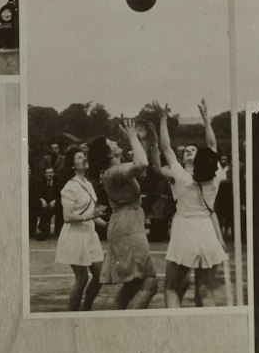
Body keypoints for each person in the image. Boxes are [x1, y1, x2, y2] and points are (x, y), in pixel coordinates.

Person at [156, 100, 228, 308]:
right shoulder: (214, 179)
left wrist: (162, 118)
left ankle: (177, 327)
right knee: (205, 291)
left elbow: (166, 147)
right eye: (187, 150)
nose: (188, 151)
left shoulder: (181, 175)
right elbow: (212, 146)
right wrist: (206, 119)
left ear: (199, 159)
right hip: (206, 233)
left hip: (185, 232)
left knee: (170, 288)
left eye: (192, 151)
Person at [91, 119, 159, 309]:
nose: (115, 142)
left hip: (128, 224)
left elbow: (141, 164)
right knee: (149, 283)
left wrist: (143, 140)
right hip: (126, 227)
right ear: (108, 153)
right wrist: (131, 137)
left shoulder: (116, 170)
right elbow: (142, 163)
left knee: (133, 285)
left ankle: (116, 322)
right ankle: (129, 323)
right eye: (111, 143)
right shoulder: (113, 172)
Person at [54, 146, 105, 311]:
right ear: (72, 165)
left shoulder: (89, 184)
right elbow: (67, 217)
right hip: (75, 236)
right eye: (79, 157)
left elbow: (92, 213)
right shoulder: (70, 187)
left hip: (90, 235)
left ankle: (86, 309)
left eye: (84, 156)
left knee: (100, 276)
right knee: (81, 279)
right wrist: (92, 216)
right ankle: (73, 315)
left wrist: (106, 225)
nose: (84, 158)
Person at [35, 165, 62, 238]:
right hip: (44, 204)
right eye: (47, 173)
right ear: (44, 174)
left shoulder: (58, 182)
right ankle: (43, 230)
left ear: (53, 173)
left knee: (58, 206)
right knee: (39, 205)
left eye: (51, 172)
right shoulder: (40, 182)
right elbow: (37, 194)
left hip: (55, 204)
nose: (49, 174)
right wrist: (41, 200)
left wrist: (55, 200)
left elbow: (61, 194)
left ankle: (42, 229)